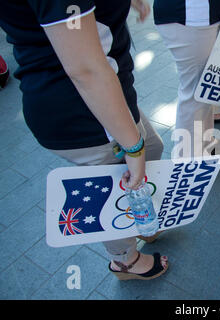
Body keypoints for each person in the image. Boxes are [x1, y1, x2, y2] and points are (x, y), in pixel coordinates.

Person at [0, 0, 168, 280]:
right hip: (85, 109)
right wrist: (133, 147)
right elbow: (86, 70)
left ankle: (139, 223)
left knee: (152, 148)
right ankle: (124, 261)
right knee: (117, 185)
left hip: (101, 96)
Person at [152, 0, 220, 157]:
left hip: (197, 14)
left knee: (204, 88)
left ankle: (204, 144)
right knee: (195, 92)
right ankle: (187, 160)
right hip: (192, 14)